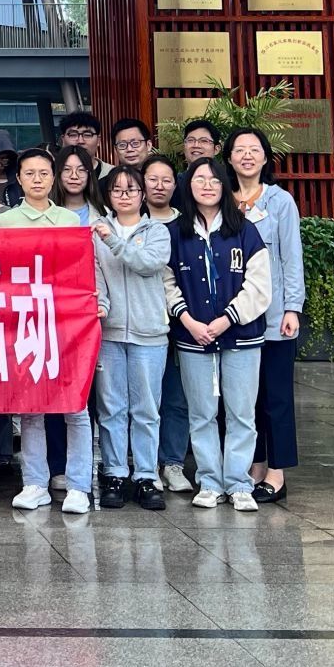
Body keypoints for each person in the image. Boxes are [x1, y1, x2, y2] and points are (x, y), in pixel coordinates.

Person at [166, 155, 271, 511]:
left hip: (241, 337)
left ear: (224, 186)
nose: (207, 186)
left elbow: (259, 285)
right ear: (188, 186)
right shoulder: (176, 233)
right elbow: (167, 283)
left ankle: (239, 483)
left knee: (241, 413)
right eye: (199, 179)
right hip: (193, 337)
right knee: (201, 414)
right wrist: (188, 321)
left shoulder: (245, 230)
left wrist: (228, 318)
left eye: (214, 180)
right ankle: (210, 481)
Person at [0, 148, 94, 515]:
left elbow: (83, 270)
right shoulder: (4, 222)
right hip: (24, 321)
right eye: (29, 173)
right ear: (18, 179)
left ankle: (79, 485)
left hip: (68, 324)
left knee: (76, 408)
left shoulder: (69, 219)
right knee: (30, 409)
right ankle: (34, 482)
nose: (37, 179)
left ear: (53, 178)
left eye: (43, 173)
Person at [226, 127, 305, 504]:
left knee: (277, 397)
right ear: (228, 158)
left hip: (274, 316)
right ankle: (255, 465)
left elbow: (292, 257)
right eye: (239, 150)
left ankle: (277, 471)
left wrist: (293, 308)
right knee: (245, 399)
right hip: (235, 316)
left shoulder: (280, 201)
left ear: (265, 157)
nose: (246, 155)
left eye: (254, 149)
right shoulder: (221, 199)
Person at [91, 164, 171, 512]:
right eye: (117, 190)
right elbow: (96, 277)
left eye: (131, 189)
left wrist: (113, 241)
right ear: (108, 195)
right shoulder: (96, 231)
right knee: (111, 408)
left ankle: (146, 475)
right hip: (109, 334)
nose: (124, 196)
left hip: (149, 333)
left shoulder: (157, 231)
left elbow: (148, 264)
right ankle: (114, 473)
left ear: (142, 195)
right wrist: (102, 306)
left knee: (146, 410)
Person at [143, 154, 194, 494]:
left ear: (176, 186)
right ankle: (143, 464)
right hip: (141, 322)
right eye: (153, 179)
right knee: (143, 399)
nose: (159, 186)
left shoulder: (187, 224)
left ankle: (173, 462)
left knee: (177, 396)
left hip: (182, 321)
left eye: (166, 180)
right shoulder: (129, 220)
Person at [54, 144, 102, 224]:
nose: (74, 176)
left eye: (81, 170)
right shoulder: (45, 212)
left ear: (89, 174)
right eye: (67, 169)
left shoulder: (104, 213)